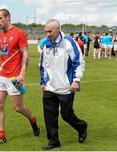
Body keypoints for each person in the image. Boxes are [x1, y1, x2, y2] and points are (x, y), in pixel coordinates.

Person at [0, 8, 40, 146]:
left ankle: (33, 119)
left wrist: (22, 73)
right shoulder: (0, 36)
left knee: (18, 107)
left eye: (0, 18)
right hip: (1, 74)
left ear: (8, 17)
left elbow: (25, 54)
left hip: (14, 77)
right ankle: (1, 136)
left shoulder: (19, 33)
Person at [40, 19, 88, 150]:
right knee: (49, 116)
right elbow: (43, 65)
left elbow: (79, 61)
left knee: (66, 115)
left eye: (50, 31)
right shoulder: (46, 44)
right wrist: (43, 82)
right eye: (46, 31)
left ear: (58, 29)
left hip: (66, 87)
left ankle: (82, 127)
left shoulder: (68, 42)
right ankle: (53, 141)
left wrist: (76, 80)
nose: (47, 34)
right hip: (50, 87)